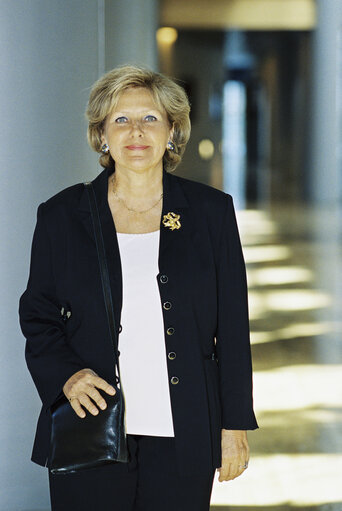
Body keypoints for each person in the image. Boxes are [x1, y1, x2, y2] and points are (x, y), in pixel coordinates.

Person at [18, 65, 258, 511]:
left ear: (171, 131)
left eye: (150, 118)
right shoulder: (62, 215)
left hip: (184, 427)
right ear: (102, 135)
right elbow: (37, 313)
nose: (136, 132)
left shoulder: (211, 213)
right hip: (91, 426)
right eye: (120, 120)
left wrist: (235, 425)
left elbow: (233, 326)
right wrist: (66, 376)